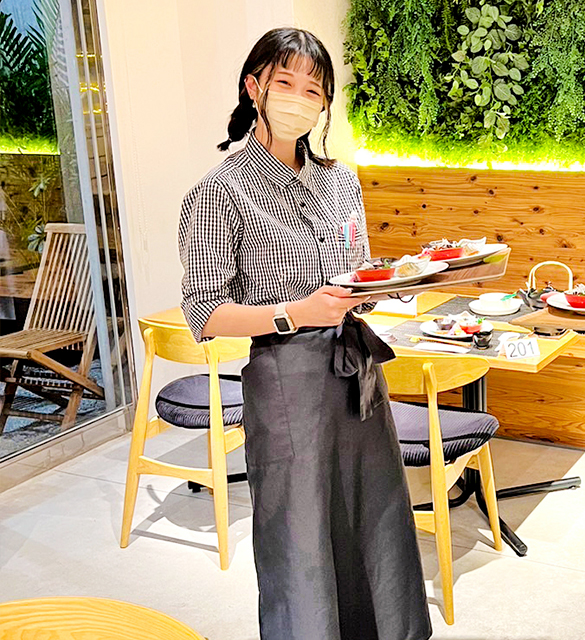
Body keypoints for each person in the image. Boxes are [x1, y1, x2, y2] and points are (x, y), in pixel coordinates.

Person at [178, 28, 432, 640]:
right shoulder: (221, 191)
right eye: (284, 82)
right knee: (300, 534)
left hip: (357, 374)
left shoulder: (340, 181)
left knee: (373, 518)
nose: (298, 97)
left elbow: (355, 270)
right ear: (254, 86)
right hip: (286, 379)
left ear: (323, 105)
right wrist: (295, 313)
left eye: (312, 89)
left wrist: (394, 282)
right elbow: (205, 314)